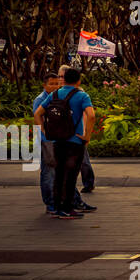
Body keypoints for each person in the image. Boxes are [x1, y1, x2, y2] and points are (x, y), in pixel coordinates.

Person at [33, 67, 96, 220]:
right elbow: (91, 115)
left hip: (57, 141)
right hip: (75, 142)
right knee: (71, 175)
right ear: (78, 81)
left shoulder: (54, 94)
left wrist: (45, 131)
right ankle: (67, 209)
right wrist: (87, 136)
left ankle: (58, 208)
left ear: (64, 80)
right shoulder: (82, 95)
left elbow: (37, 114)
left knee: (59, 175)